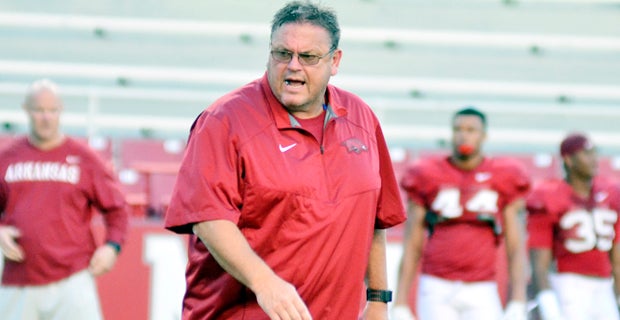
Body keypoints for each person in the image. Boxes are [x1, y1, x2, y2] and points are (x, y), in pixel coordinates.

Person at [164, 1, 407, 319]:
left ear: (335, 61)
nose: (293, 66)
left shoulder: (361, 118)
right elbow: (209, 220)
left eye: (308, 57)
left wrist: (377, 300)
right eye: (282, 53)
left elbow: (375, 216)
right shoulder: (224, 120)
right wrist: (264, 283)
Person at [0, 79, 130, 320]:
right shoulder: (7, 158)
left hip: (73, 278)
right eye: (39, 110)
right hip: (19, 279)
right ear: (26, 110)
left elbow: (118, 209)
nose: (46, 117)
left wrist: (112, 247)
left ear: (61, 111)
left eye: (52, 110)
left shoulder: (84, 158)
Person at [391, 107, 531, 320]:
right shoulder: (428, 174)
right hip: (436, 284)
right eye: (458, 129)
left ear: (484, 135)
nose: (463, 135)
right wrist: (400, 301)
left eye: (471, 130)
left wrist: (519, 299)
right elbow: (412, 242)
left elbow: (515, 245)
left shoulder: (503, 175)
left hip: (482, 286)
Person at [526, 133, 620, 320]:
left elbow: (617, 257)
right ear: (568, 160)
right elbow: (539, 262)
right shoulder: (550, 195)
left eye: (594, 152)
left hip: (604, 287)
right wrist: (547, 301)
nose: (594, 159)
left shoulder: (611, 193)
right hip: (569, 285)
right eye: (586, 153)